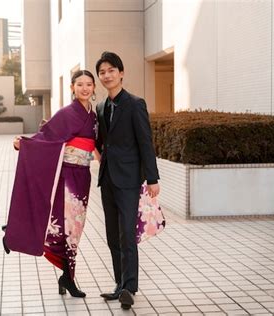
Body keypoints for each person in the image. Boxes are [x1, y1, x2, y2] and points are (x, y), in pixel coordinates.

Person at [3, 70, 98, 298]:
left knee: (75, 228)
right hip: (67, 176)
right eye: (80, 84)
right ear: (72, 88)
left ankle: (65, 276)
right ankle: (67, 276)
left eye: (89, 84)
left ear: (94, 88)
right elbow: (47, 136)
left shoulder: (93, 116)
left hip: (83, 175)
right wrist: (24, 144)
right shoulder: (67, 113)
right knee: (66, 228)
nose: (85, 88)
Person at [95, 51, 160, 309]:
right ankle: (119, 284)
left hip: (130, 179)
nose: (106, 75)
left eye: (111, 70)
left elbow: (146, 142)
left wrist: (153, 178)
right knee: (112, 235)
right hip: (107, 179)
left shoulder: (135, 103)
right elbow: (99, 141)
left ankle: (129, 288)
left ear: (121, 73)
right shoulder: (101, 107)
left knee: (126, 235)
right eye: (102, 72)